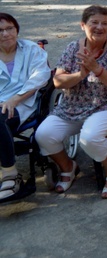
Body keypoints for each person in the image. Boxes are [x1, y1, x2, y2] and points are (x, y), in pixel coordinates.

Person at [35, 6, 107, 199]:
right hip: (72, 105)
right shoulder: (72, 48)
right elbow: (57, 82)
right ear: (83, 25)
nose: (99, 27)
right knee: (44, 134)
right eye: (94, 22)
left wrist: (98, 69)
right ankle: (68, 167)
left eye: (104, 23)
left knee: (90, 136)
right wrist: (81, 74)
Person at [0, 14, 50, 200]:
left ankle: (10, 174)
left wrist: (15, 99)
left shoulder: (31, 50)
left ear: (16, 30)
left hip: (21, 104)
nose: (5, 34)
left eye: (10, 28)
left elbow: (40, 76)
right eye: (0, 30)